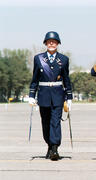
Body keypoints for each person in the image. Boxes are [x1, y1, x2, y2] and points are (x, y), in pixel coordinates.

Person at [28, 31, 73, 161]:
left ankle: (55, 148)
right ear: (46, 43)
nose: (51, 43)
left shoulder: (64, 59)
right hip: (43, 95)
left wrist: (69, 96)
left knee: (55, 122)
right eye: (49, 42)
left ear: (58, 43)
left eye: (54, 41)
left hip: (58, 95)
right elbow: (35, 78)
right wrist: (31, 94)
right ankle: (49, 145)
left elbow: (66, 79)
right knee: (46, 123)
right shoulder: (38, 58)